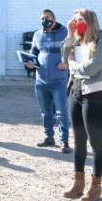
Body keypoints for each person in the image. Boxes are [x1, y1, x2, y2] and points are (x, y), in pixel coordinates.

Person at [62, 9, 102, 201]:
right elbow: (63, 58)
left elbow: (92, 68)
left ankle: (95, 186)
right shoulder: (77, 38)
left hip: (95, 96)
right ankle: (78, 182)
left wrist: (73, 66)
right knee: (79, 141)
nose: (77, 23)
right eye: (75, 20)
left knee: (96, 143)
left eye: (80, 20)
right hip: (75, 92)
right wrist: (69, 34)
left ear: (90, 21)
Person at [26, 9, 71, 153]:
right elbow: (34, 53)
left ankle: (64, 141)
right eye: (42, 18)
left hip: (59, 79)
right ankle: (49, 138)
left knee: (61, 111)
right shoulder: (38, 35)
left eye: (47, 17)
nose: (44, 20)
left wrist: (66, 62)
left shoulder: (65, 32)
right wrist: (30, 63)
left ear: (54, 18)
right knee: (45, 111)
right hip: (41, 80)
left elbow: (76, 49)